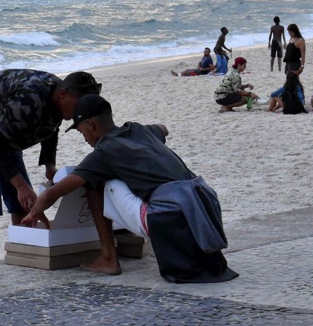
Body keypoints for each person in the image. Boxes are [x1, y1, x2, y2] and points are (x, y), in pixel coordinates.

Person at [22, 94, 237, 283]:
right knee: (118, 175)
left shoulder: (103, 153)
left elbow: (53, 192)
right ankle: (120, 244)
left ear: (90, 125)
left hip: (167, 215)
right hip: (201, 206)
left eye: (81, 132)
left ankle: (108, 259)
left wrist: (35, 212)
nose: (85, 139)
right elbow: (163, 128)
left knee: (93, 181)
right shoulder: (140, 130)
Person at [0, 68, 101, 262]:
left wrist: (49, 166)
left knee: (23, 201)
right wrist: (21, 186)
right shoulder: (29, 101)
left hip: (5, 130)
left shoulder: (59, 97)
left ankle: (23, 255)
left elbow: (51, 127)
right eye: (78, 108)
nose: (78, 114)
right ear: (63, 95)